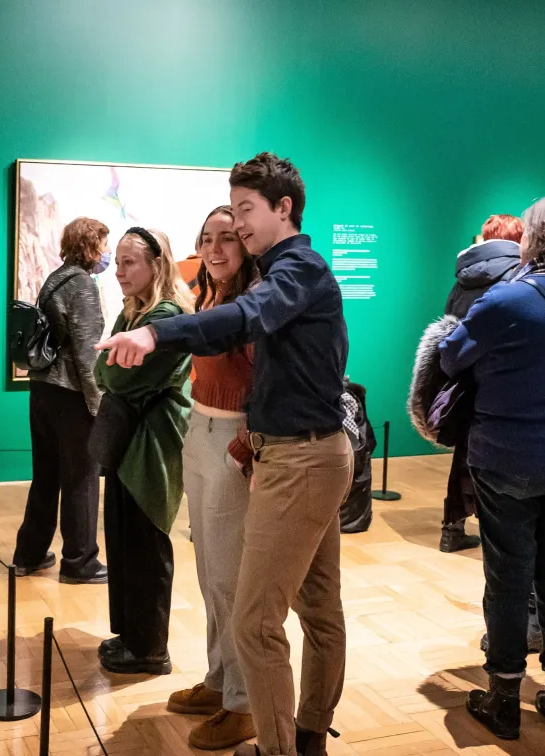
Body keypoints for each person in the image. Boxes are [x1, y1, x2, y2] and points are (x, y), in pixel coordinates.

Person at [97, 152, 353, 756]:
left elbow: (246, 320)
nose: (236, 225)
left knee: (254, 621)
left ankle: (278, 744)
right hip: (294, 455)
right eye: (231, 211)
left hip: (303, 459)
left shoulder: (299, 269)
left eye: (245, 210)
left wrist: (156, 332)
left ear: (283, 208)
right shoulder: (282, 270)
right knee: (316, 605)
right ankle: (308, 733)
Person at [441, 196, 545, 742]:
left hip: (510, 453)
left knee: (509, 578)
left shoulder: (504, 299)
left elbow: (450, 357)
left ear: (531, 239)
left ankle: (504, 697)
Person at [166, 206, 260, 751]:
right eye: (207, 239)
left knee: (231, 580)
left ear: (247, 244)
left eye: (229, 238)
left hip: (232, 439)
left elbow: (269, 378)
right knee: (208, 573)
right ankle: (220, 680)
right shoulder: (210, 295)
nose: (216, 248)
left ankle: (244, 704)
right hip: (198, 428)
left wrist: (246, 446)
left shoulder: (251, 306)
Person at [94, 227, 194, 675]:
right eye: (116, 262)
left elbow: (117, 379)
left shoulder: (168, 318)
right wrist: (112, 369)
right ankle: (132, 636)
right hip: (131, 440)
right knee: (124, 540)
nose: (119, 271)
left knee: (148, 545)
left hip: (153, 446)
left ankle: (151, 649)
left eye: (128, 262)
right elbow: (103, 369)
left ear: (157, 263)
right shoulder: (133, 312)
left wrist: (114, 371)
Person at [11, 216, 110, 585]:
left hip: (42, 389)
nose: (106, 252)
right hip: (70, 393)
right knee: (82, 478)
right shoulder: (82, 284)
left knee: (46, 476)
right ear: (91, 245)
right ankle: (80, 562)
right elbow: (87, 354)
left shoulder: (55, 278)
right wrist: (98, 406)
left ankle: (30, 553)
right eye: (103, 243)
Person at [440, 214, 523, 553]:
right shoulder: (516, 278)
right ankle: (498, 534)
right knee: (498, 459)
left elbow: (447, 323)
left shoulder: (463, 277)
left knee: (464, 451)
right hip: (500, 380)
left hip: (462, 376)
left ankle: (452, 527)